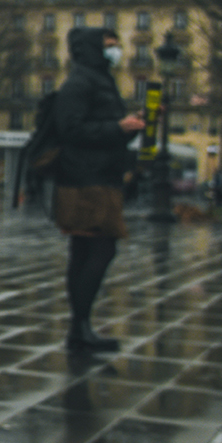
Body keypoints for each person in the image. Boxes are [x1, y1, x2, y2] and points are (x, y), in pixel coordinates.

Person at [54, 28, 145, 352]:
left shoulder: (98, 80)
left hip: (98, 175)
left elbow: (99, 127)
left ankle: (80, 328)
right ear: (93, 49)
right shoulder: (80, 82)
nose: (117, 51)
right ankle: (80, 327)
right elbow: (70, 128)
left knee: (84, 251)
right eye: (110, 46)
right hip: (86, 180)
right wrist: (117, 127)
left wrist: (126, 126)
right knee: (100, 249)